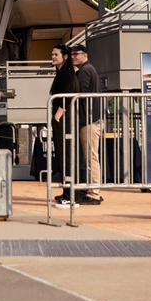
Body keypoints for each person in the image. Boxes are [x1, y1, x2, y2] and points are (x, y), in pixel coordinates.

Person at [72, 43, 103, 205]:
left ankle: (94, 193)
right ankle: (94, 189)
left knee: (91, 157)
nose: (73, 56)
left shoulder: (85, 71)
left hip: (89, 120)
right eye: (72, 54)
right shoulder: (89, 69)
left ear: (85, 55)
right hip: (92, 119)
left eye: (77, 54)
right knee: (91, 156)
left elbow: (80, 93)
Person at [49, 43, 79, 207]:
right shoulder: (61, 72)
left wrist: (59, 113)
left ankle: (71, 193)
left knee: (66, 154)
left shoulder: (67, 73)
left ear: (64, 56)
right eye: (52, 54)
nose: (53, 57)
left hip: (64, 118)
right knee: (61, 154)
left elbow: (69, 93)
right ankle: (67, 191)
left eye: (56, 54)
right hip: (61, 118)